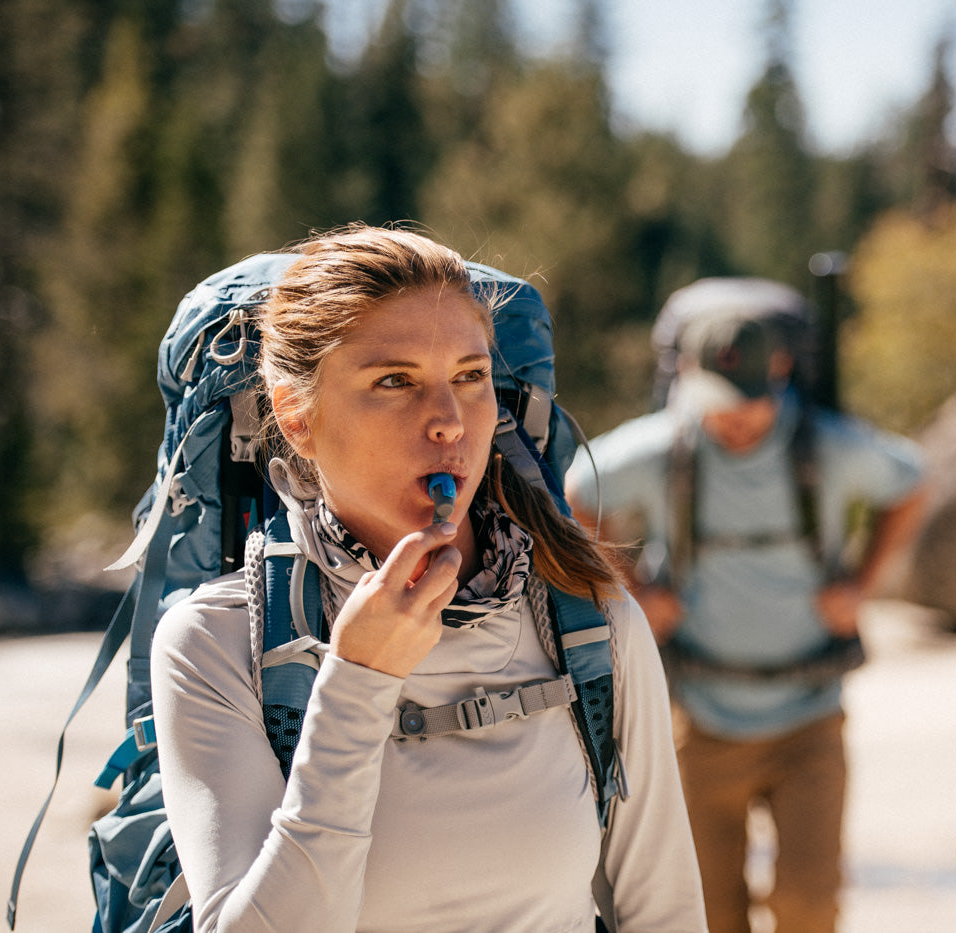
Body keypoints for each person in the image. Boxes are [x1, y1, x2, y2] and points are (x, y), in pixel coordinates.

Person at [149, 225, 708, 932]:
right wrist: (357, 679)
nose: (449, 421)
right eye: (394, 381)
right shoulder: (219, 640)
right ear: (297, 418)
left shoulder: (591, 621)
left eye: (471, 377)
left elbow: (666, 913)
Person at [564, 280, 929, 933]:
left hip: (810, 719)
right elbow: (578, 490)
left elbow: (912, 482)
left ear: (782, 375)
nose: (734, 417)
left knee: (810, 905)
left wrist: (861, 584)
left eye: (750, 402)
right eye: (718, 403)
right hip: (698, 720)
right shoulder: (663, 449)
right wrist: (635, 592)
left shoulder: (828, 445)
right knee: (709, 912)